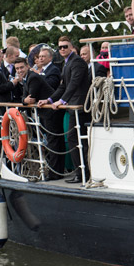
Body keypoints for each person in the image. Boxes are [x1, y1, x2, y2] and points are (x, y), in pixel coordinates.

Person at [37, 36, 90, 184]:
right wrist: (50, 99)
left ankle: (82, 174)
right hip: (72, 106)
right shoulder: (66, 64)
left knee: (76, 139)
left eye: (65, 46)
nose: (62, 49)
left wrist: (62, 101)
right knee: (74, 139)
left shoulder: (77, 62)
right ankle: (80, 172)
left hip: (79, 106)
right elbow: (63, 86)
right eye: (60, 47)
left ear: (71, 47)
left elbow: (74, 84)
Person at [16, 57, 65, 180]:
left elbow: (31, 98)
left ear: (27, 66)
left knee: (54, 142)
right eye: (17, 68)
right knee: (54, 141)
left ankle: (55, 173)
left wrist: (25, 101)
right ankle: (58, 171)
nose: (19, 70)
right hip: (47, 113)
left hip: (51, 113)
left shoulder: (33, 78)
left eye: (22, 67)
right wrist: (24, 100)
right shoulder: (27, 78)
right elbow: (24, 98)